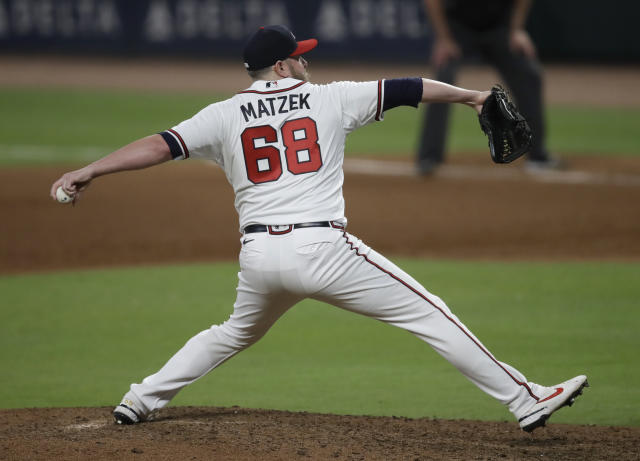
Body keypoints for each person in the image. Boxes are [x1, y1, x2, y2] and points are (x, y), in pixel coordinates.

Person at [50, 25, 587, 432]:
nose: (307, 63)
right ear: (281, 67)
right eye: (299, 57)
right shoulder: (330, 97)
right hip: (324, 250)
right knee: (430, 313)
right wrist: (471, 97)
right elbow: (409, 88)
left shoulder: (220, 115)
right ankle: (524, 398)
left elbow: (158, 146)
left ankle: (138, 400)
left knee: (233, 333)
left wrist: (90, 169)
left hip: (259, 259)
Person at [417, 0, 559, 174]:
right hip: (458, 29)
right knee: (443, 78)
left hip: (499, 29)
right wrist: (443, 39)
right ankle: (429, 156)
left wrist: (517, 30)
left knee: (529, 74)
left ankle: (537, 155)